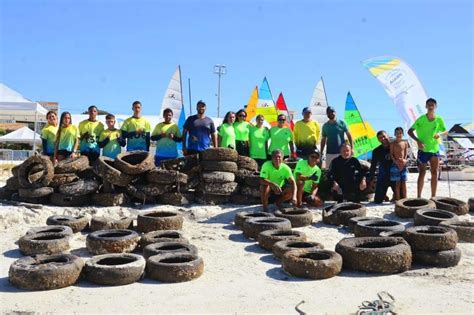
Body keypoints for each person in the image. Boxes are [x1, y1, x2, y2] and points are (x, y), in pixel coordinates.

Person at [408, 98, 448, 198]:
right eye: (429, 105)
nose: (430, 106)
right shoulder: (421, 119)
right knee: (422, 173)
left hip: (434, 149)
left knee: (434, 172)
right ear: (426, 106)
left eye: (432, 105)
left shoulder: (439, 119)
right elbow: (410, 131)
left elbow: (446, 132)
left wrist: (440, 134)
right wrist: (417, 140)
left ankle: (433, 196)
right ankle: (419, 197)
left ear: (435, 106)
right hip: (423, 150)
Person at [368, 130, 395, 203]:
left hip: (394, 176)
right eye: (380, 138)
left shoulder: (395, 146)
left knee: (400, 198)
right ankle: (383, 195)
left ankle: (394, 195)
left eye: (384, 136)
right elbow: (373, 166)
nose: (382, 139)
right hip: (383, 177)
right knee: (377, 200)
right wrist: (370, 179)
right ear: (378, 140)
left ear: (388, 136)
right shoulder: (376, 151)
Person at [390, 127, 408, 200]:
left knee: (404, 183)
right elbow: (391, 154)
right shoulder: (392, 143)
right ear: (394, 134)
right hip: (395, 164)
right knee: (397, 184)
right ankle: (398, 199)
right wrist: (396, 162)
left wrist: (404, 161)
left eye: (400, 133)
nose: (399, 134)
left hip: (403, 164)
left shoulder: (405, 143)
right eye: (397, 133)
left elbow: (406, 154)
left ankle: (405, 199)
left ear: (403, 134)